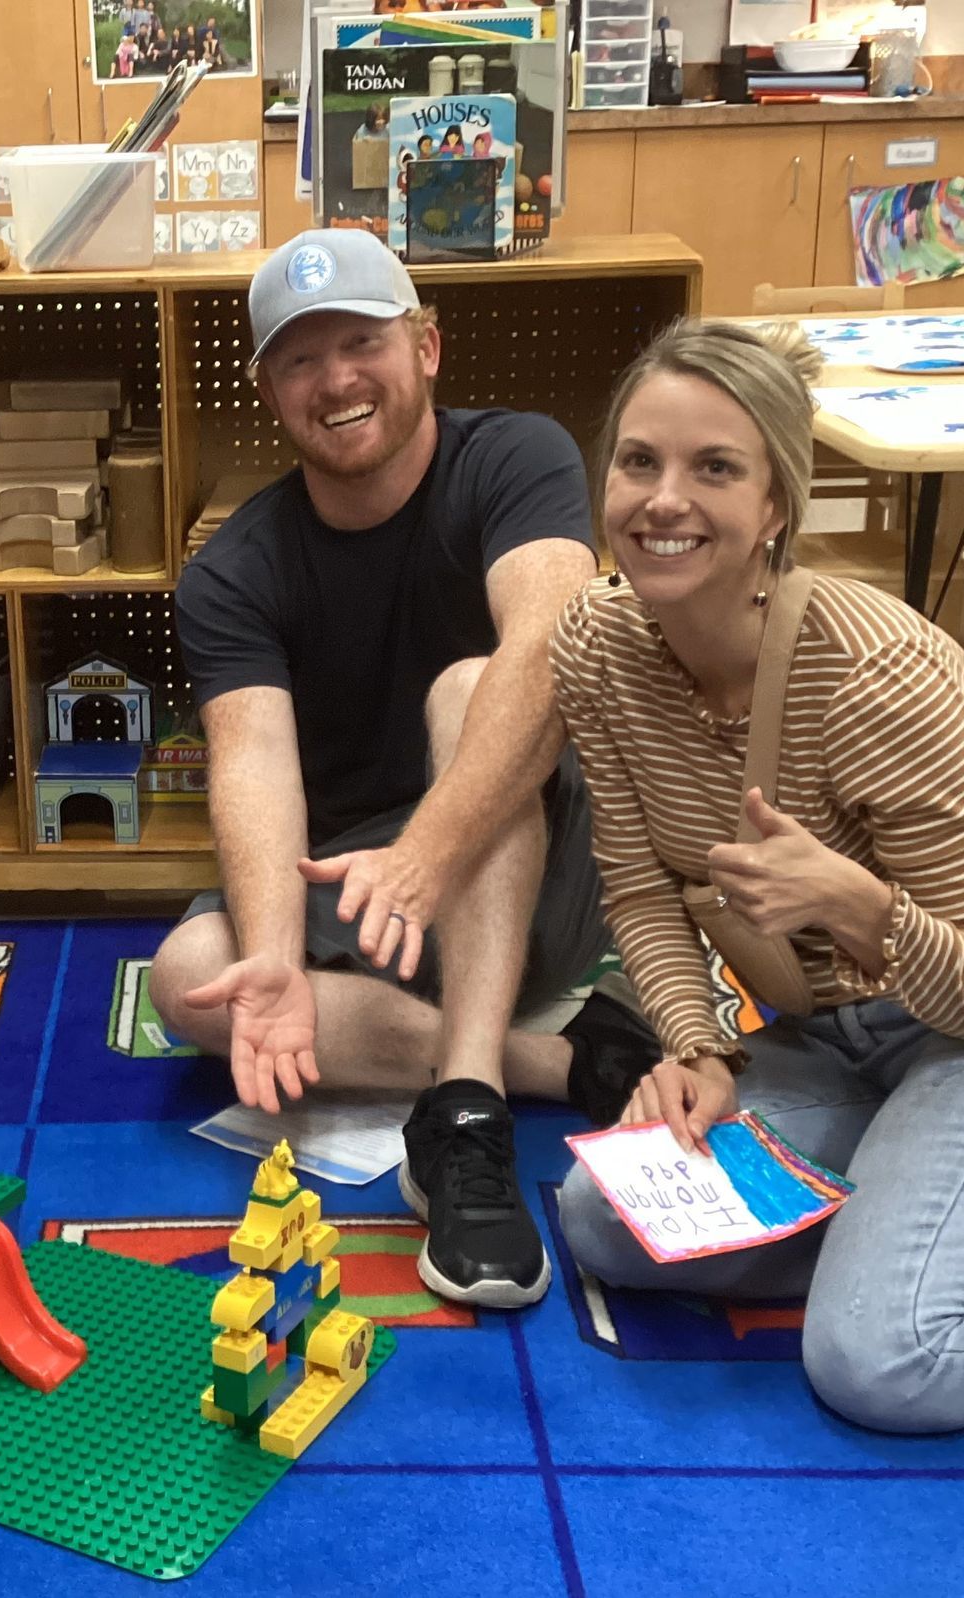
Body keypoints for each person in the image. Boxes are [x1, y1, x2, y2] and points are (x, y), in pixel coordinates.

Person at [549, 317, 964, 1433]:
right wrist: (698, 1050)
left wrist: (855, 902)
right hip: (836, 1035)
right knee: (607, 1217)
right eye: (639, 460)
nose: (662, 499)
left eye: (715, 468)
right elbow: (637, 890)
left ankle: (954, 1253)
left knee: (881, 1355)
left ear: (778, 506)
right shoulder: (594, 644)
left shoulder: (883, 676)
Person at [149, 230, 659, 1309]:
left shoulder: (519, 455)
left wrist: (427, 855)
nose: (334, 380)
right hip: (364, 892)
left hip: (540, 868)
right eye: (299, 358)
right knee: (192, 976)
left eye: (362, 342)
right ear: (266, 389)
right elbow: (252, 765)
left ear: (427, 345)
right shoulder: (232, 568)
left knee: (474, 693)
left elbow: (548, 648)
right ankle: (563, 1062)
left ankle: (467, 1110)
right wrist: (280, 961)